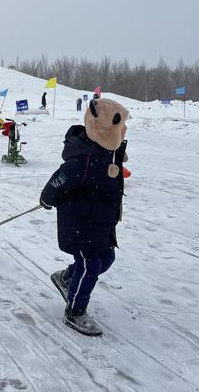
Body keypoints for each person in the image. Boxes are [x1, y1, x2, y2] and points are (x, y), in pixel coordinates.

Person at [40, 98, 129, 336]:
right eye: (118, 127)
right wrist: (47, 198)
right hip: (79, 223)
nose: (123, 132)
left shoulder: (110, 156)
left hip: (100, 224)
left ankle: (68, 278)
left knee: (106, 259)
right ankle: (75, 311)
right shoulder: (84, 160)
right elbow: (59, 180)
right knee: (90, 266)